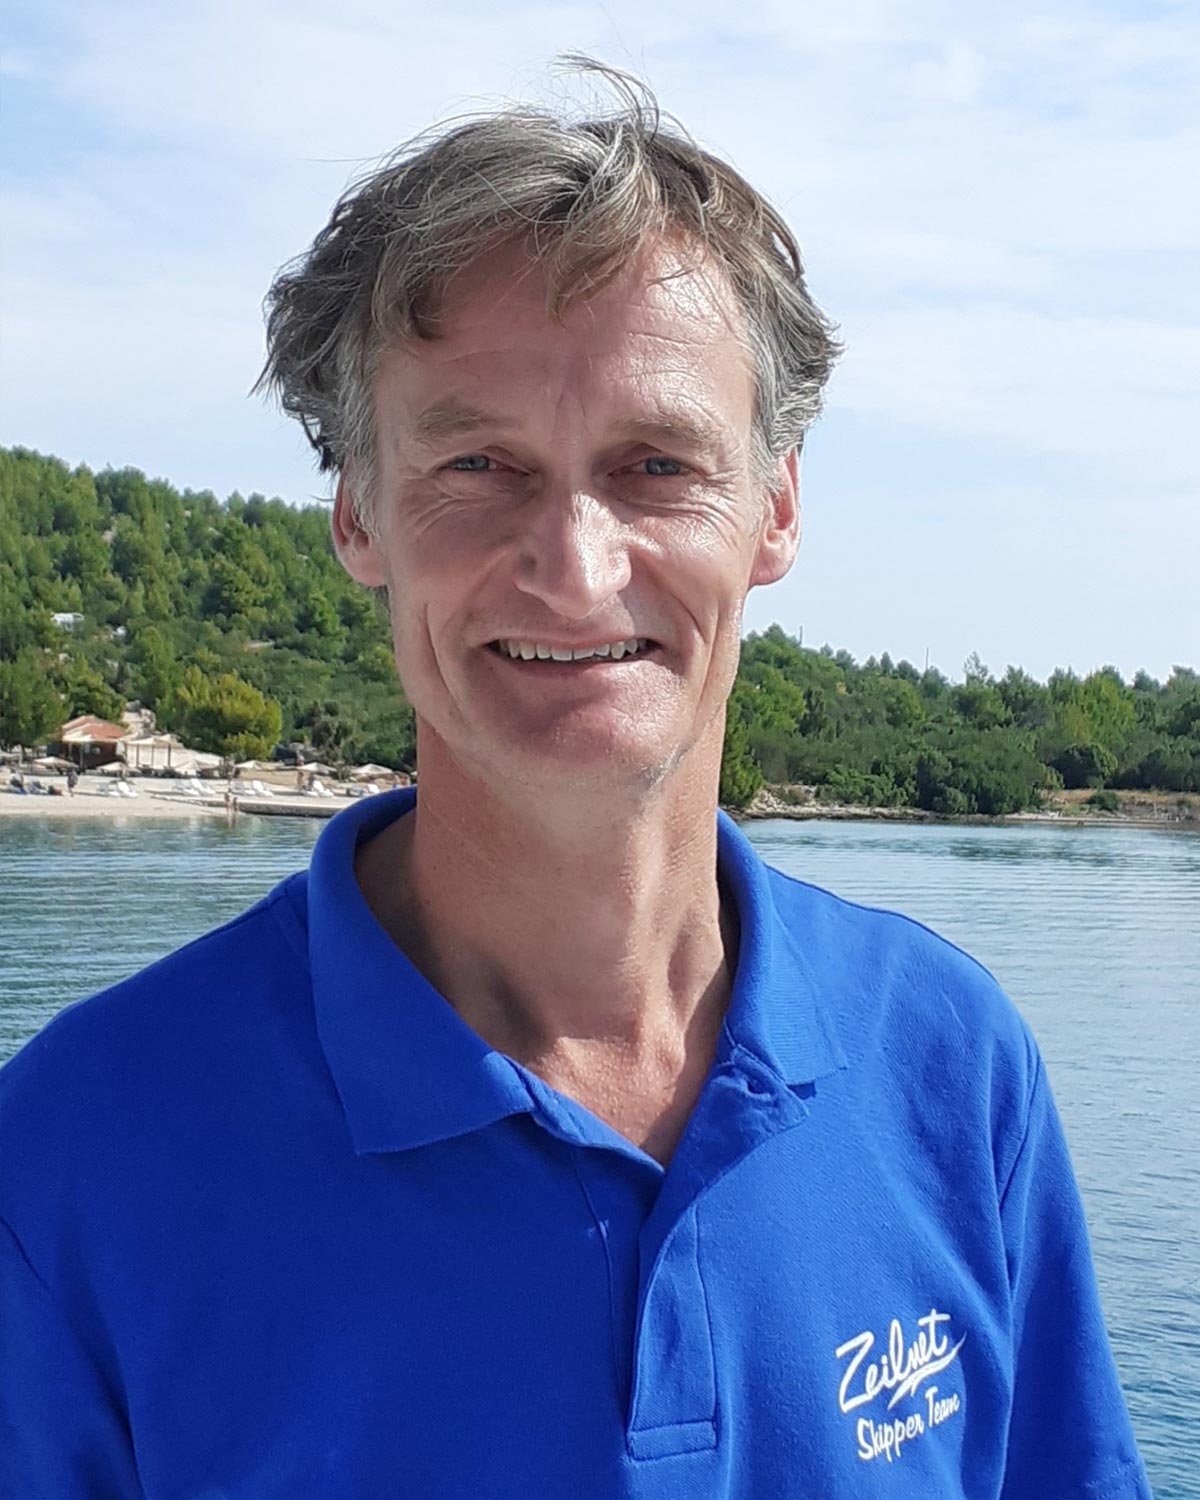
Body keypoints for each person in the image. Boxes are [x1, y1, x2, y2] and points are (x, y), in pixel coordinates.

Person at [0, 66, 1150, 1499]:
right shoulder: (78, 1157)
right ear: (357, 509)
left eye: (656, 464)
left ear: (776, 506)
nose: (576, 566)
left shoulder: (950, 1067)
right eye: (480, 463)